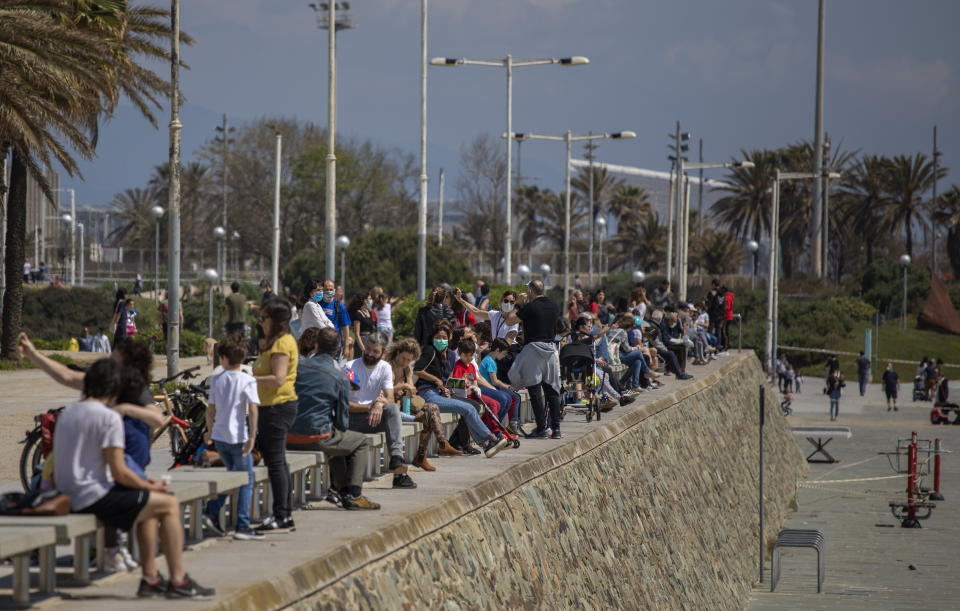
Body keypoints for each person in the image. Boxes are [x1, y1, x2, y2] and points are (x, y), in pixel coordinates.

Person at [52, 359, 214, 598]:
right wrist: (150, 484)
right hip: (89, 498)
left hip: (67, 492)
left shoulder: (69, 413)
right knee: (168, 504)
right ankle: (179, 580)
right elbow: (119, 471)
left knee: (148, 505)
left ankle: (150, 578)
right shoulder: (108, 418)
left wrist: (146, 486)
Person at [288, 328, 381, 509]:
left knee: (335, 438)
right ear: (337, 349)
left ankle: (343, 491)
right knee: (360, 441)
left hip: (287, 436)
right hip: (316, 437)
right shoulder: (340, 377)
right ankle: (354, 495)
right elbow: (341, 422)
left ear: (316, 345)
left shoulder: (296, 367)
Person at [202, 334, 264, 540]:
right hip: (238, 436)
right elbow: (253, 409)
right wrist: (253, 435)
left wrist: (209, 432)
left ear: (224, 358)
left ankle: (211, 511)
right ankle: (242, 525)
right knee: (246, 479)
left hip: (219, 437)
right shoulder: (247, 380)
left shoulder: (217, 379)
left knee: (231, 475)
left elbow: (209, 411)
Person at [413, 324, 507, 457]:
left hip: (438, 393)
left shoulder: (445, 355)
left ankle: (486, 444)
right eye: (438, 337)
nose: (441, 340)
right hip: (428, 394)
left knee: (469, 407)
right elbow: (417, 369)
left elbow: (447, 380)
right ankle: (490, 438)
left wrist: (445, 388)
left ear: (449, 338)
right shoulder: (430, 350)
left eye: (444, 337)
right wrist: (436, 380)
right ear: (432, 338)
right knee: (468, 408)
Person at [344, 332, 417, 488]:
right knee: (389, 409)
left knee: (391, 409)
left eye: (375, 351)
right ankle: (400, 472)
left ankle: (397, 463)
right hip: (353, 419)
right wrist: (370, 406)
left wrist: (379, 404)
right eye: (368, 349)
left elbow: (389, 398)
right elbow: (344, 404)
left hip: (375, 417)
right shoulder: (350, 368)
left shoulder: (384, 367)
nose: (370, 354)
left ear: (383, 352)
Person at [252, 298, 299, 533]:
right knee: (276, 460)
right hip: (270, 406)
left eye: (264, 318)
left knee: (275, 462)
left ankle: (282, 514)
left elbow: (278, 379)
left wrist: (248, 379)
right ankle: (284, 513)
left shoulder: (282, 344)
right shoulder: (275, 342)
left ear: (277, 321)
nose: (260, 323)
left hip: (277, 406)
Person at [385, 338, 462, 471]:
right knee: (428, 418)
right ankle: (424, 455)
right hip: (394, 409)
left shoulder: (407, 369)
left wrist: (409, 389)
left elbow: (411, 387)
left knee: (432, 408)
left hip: (405, 404)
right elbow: (386, 391)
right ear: (397, 352)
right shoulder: (387, 367)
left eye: (409, 360)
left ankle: (438, 445)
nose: (406, 362)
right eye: (404, 358)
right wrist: (403, 386)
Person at [503, 280, 563, 439]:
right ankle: (556, 428)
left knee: (534, 389)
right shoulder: (554, 306)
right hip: (550, 350)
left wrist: (519, 305)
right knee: (552, 390)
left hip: (533, 350)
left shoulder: (529, 307)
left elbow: (509, 320)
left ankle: (542, 428)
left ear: (530, 291)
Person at [480, 338, 523, 431]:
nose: (504, 356)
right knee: (510, 398)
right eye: (503, 353)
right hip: (488, 386)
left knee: (511, 397)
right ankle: (498, 424)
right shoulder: (490, 361)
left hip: (490, 386)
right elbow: (495, 381)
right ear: (497, 350)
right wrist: (507, 386)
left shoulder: (489, 359)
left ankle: (500, 424)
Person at [454, 289, 520, 345]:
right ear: (501, 301)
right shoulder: (495, 315)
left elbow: (508, 342)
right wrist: (460, 300)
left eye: (512, 302)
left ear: (515, 304)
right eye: (506, 301)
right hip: (497, 349)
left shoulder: (514, 320)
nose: (508, 304)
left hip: (508, 350)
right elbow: (475, 311)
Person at [317, 279, 351, 350]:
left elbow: (345, 327)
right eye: (326, 289)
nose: (329, 291)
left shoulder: (339, 306)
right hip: (319, 344)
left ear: (334, 290)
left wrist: (346, 346)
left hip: (335, 344)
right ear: (322, 290)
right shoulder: (317, 304)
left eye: (331, 289)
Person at [721, 284, 734, 352]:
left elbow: (727, 307)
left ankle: (726, 346)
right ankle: (726, 345)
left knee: (724, 332)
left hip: (726, 316)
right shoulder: (730, 295)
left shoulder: (727, 297)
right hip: (729, 316)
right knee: (726, 331)